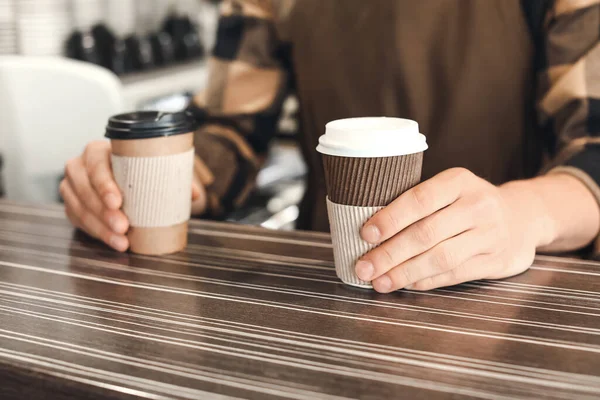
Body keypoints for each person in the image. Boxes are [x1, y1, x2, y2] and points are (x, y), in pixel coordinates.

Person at [61, 0, 600, 293]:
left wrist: (523, 213)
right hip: (335, 287)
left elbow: (592, 145)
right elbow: (231, 130)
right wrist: (145, 185)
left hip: (507, 297)